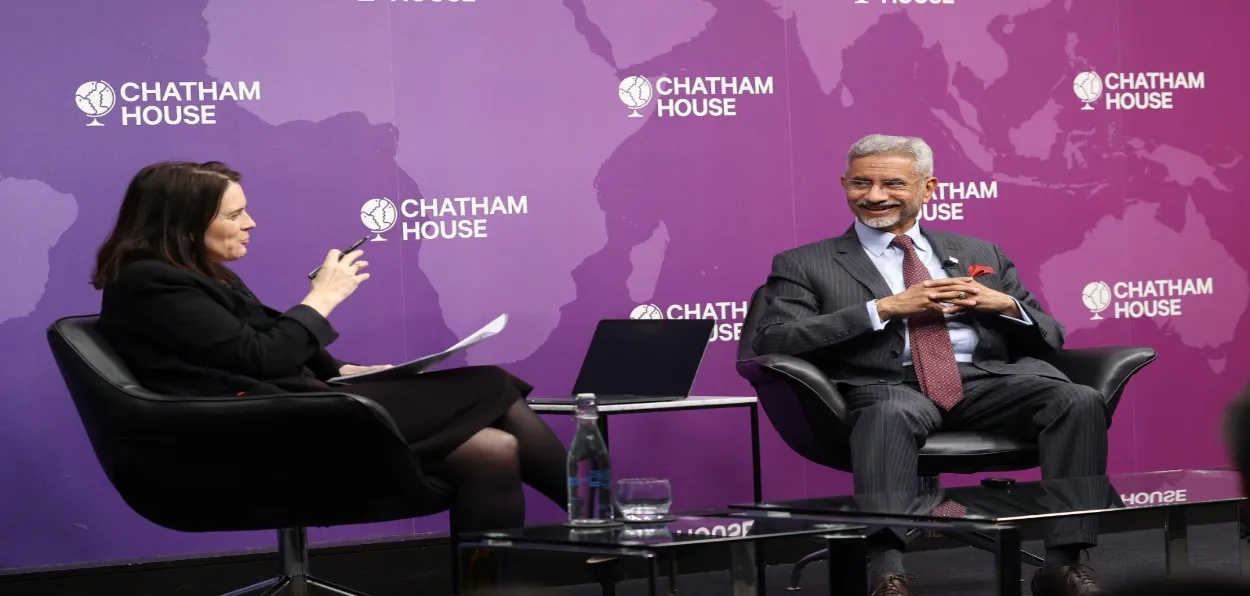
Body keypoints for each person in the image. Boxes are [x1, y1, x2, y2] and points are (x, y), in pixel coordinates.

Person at [92, 161, 568, 533]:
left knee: (493, 449)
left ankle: (489, 587)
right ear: (185, 224)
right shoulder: (150, 282)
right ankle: (603, 515)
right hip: (259, 431)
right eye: (235, 215)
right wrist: (323, 298)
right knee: (491, 384)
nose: (251, 223)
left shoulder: (199, 276)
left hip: (300, 410)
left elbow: (256, 343)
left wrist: (344, 372)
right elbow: (259, 358)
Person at [753, 135, 1109, 596]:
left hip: (985, 381)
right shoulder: (806, 263)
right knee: (888, 415)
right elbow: (774, 338)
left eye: (893, 183)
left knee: (1077, 399)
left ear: (928, 188)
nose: (875, 195)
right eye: (861, 183)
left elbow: (1051, 335)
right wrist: (883, 308)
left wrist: (1002, 304)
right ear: (844, 184)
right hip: (888, 385)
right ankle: (885, 572)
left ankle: (1063, 563)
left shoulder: (980, 251)